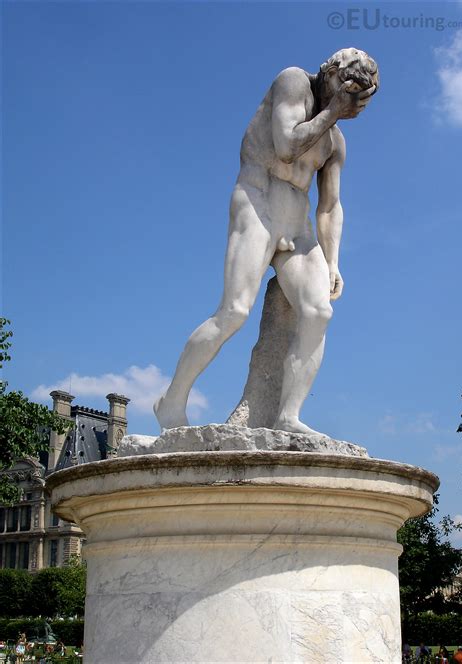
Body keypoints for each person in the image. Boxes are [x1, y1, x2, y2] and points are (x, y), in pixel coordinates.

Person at [155, 47, 379, 434]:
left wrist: (333, 261)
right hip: (258, 202)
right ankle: (171, 401)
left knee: (318, 312)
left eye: (360, 99)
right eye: (348, 90)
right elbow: (286, 146)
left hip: (297, 221)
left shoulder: (335, 141)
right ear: (330, 73)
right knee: (234, 312)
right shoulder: (293, 81)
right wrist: (333, 112)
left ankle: (288, 416)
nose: (350, 103)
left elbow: (330, 206)